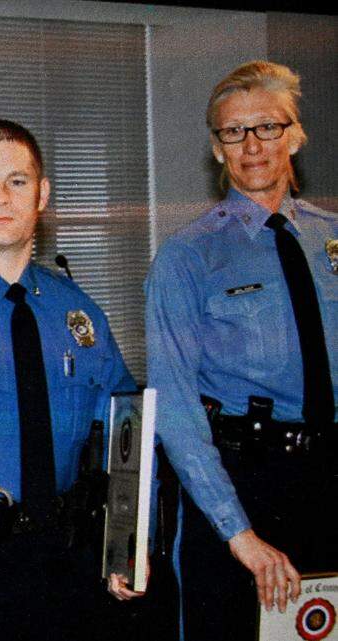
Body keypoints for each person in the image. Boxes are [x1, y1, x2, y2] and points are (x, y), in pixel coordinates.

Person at [0, 119, 141, 641]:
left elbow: (128, 432)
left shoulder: (79, 315)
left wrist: (127, 543)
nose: (0, 196)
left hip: (63, 564)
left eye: (17, 181)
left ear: (42, 195)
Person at [146, 60, 337, 641]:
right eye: (234, 131)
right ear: (217, 147)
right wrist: (241, 535)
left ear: (296, 134)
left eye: (268, 127)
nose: (252, 145)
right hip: (239, 487)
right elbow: (175, 413)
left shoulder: (331, 240)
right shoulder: (187, 258)